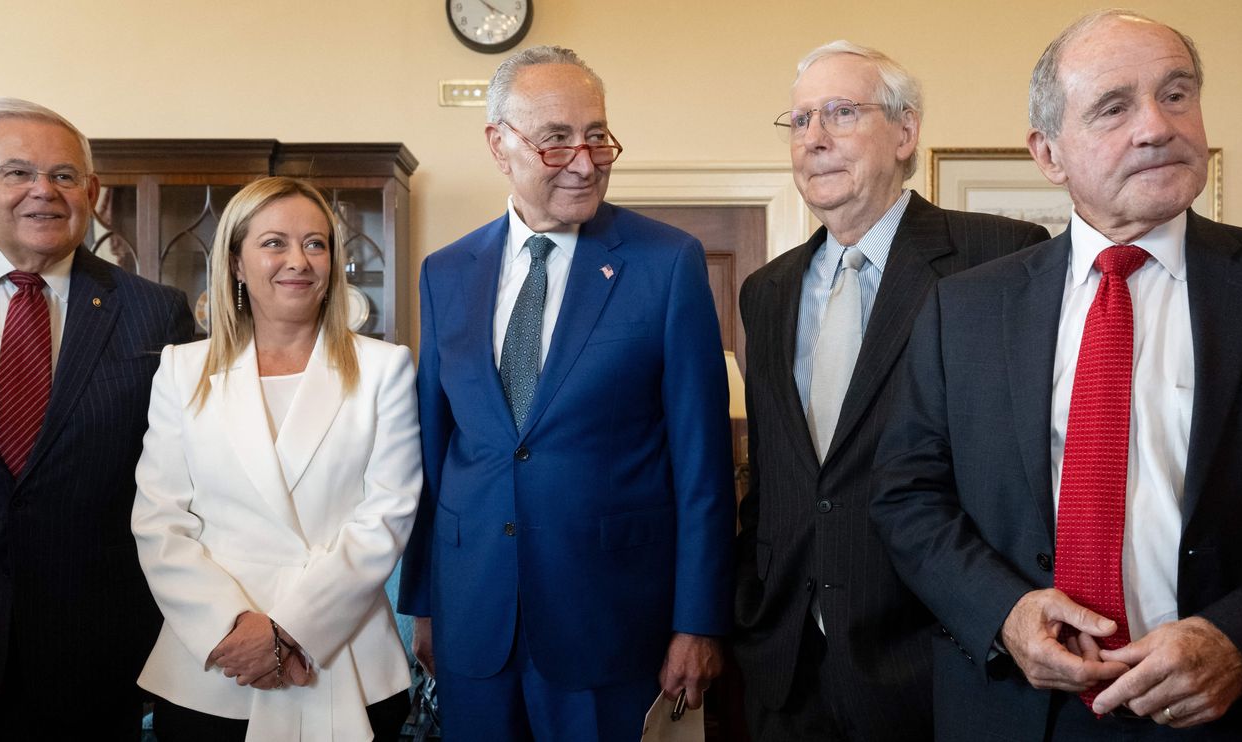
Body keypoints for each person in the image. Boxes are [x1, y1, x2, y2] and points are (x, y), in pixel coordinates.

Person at [872, 10, 1242, 740]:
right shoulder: (964, 309)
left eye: (1176, 94)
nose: (1156, 126)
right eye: (1114, 107)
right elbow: (906, 496)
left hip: (1226, 711)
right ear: (1048, 153)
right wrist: (1003, 612)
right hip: (1015, 709)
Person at [397, 45, 735, 741]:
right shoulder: (445, 272)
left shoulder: (666, 262)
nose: (585, 162)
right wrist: (425, 603)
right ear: (499, 144)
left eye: (597, 137)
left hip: (610, 621)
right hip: (474, 618)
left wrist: (698, 621)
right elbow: (437, 453)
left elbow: (703, 464)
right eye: (556, 140)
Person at [732, 42, 1048, 741]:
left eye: (841, 113)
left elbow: (1025, 478)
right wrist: (749, 612)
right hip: (786, 669)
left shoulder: (998, 257)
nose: (814, 138)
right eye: (800, 120)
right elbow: (779, 478)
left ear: (905, 132)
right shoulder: (766, 291)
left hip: (934, 662)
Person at [131, 176, 421, 741]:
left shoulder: (385, 368)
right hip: (217, 662)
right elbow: (159, 521)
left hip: (343, 655)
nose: (299, 261)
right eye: (273, 243)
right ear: (235, 263)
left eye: (316, 244)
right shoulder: (182, 370)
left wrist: (290, 629)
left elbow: (387, 517)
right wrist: (233, 627)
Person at [0, 97, 193, 739]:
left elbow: (191, 480)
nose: (43, 192)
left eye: (63, 176)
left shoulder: (156, 312)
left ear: (93, 192)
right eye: (17, 172)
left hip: (93, 656)